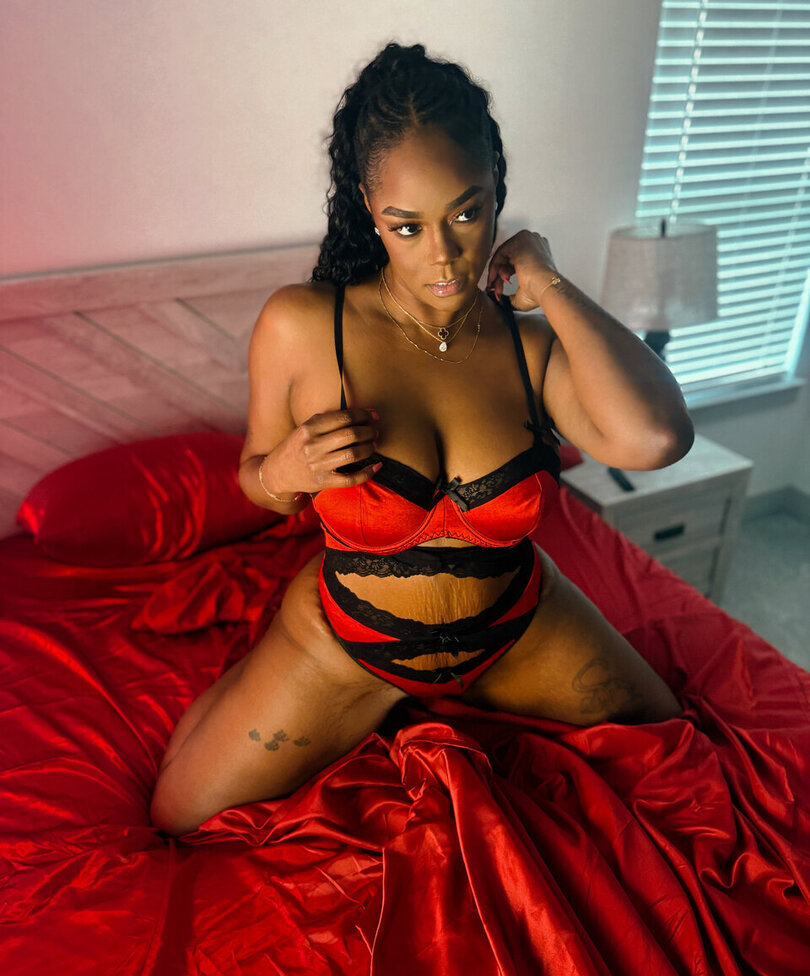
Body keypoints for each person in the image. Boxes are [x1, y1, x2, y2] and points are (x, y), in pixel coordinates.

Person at [150, 42, 692, 838]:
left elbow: (657, 436)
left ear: (498, 190)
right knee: (177, 814)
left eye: (467, 214)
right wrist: (288, 471)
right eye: (406, 227)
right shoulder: (304, 325)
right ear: (369, 209)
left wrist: (548, 282)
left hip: (515, 630)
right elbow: (253, 481)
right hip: (352, 644)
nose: (443, 257)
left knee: (669, 741)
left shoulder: (528, 346)